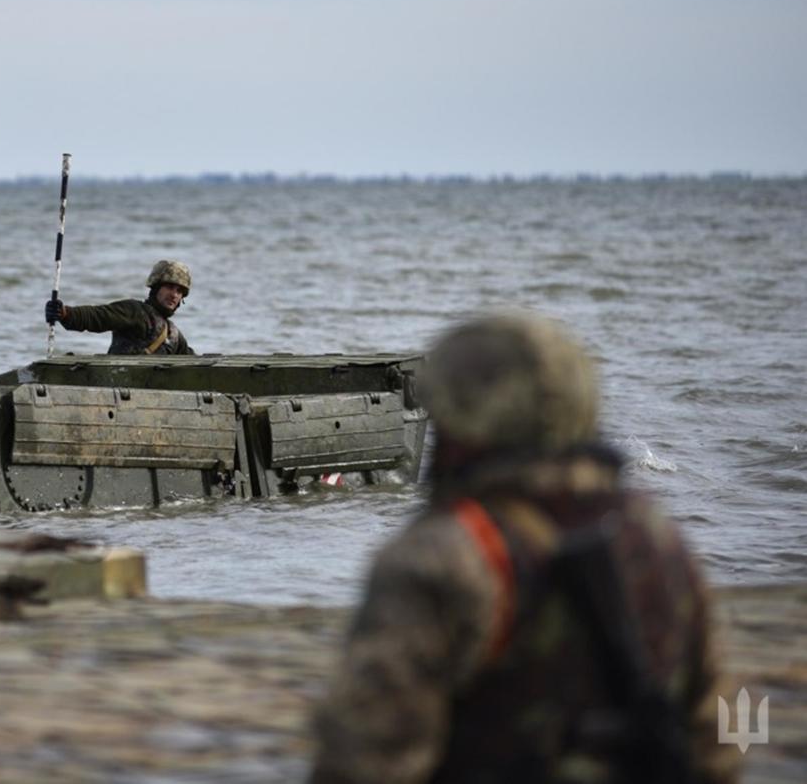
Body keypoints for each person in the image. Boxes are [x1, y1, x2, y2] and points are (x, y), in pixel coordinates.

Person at [309, 311, 739, 784]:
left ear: (457, 420)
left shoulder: (441, 557)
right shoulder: (657, 536)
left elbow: (364, 761)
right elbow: (721, 741)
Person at [44, 259, 196, 355]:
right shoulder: (136, 312)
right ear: (156, 288)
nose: (175, 295)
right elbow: (99, 316)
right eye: (170, 287)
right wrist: (65, 313)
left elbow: (192, 364)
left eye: (180, 291)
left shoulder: (174, 335)